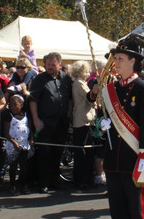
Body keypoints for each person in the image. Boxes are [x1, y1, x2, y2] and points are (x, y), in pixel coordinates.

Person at [101, 33, 144, 219]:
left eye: (121, 58)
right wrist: (103, 125)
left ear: (133, 61)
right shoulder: (111, 89)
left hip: (134, 159)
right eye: (116, 58)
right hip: (113, 159)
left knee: (135, 211)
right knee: (118, 211)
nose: (117, 63)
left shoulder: (142, 88)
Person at [29, 52, 72, 192]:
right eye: (48, 65)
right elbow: (33, 100)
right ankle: (44, 182)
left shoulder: (66, 78)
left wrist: (70, 113)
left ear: (60, 64)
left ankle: (55, 180)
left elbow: (70, 98)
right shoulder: (39, 79)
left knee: (57, 152)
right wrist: (35, 119)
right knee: (44, 153)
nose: (50, 67)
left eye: (53, 65)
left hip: (61, 122)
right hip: (45, 122)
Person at [70, 61, 96, 190]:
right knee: (83, 151)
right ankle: (82, 179)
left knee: (86, 150)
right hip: (82, 120)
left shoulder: (79, 83)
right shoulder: (79, 84)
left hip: (85, 119)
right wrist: (95, 91)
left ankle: (84, 178)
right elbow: (89, 98)